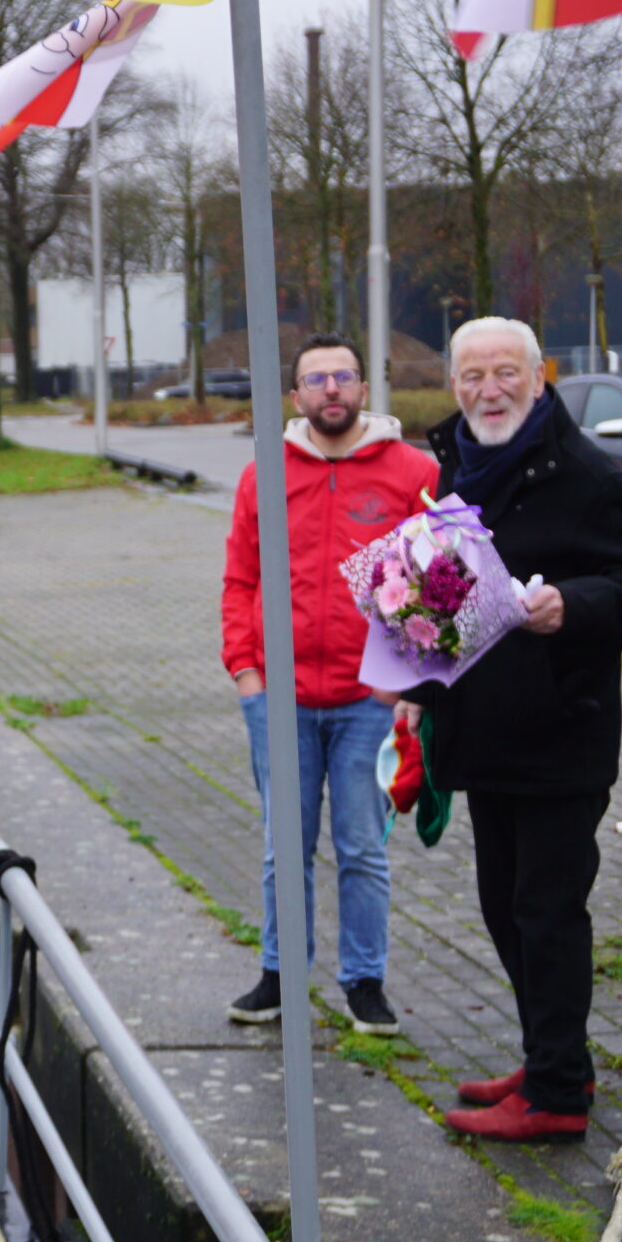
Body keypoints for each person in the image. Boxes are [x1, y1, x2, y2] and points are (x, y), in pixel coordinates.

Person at [420, 317, 622, 1143]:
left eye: (505, 373)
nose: (488, 390)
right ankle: (552, 1058)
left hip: (563, 730)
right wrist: (414, 684)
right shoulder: (456, 465)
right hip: (483, 731)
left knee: (547, 914)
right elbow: (445, 590)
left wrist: (574, 605)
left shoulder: (592, 476)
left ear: (539, 377)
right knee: (503, 909)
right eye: (472, 376)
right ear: (453, 384)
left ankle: (558, 1096)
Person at [220, 332, 438, 1037]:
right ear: (296, 396)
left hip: (367, 702)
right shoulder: (264, 474)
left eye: (343, 376)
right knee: (284, 849)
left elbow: (438, 584)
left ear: (364, 389)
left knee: (362, 848)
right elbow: (240, 579)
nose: (331, 389)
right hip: (277, 701)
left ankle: (364, 982)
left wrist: (399, 685)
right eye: (316, 380)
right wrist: (247, 674)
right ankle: (280, 974)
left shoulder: (414, 472)